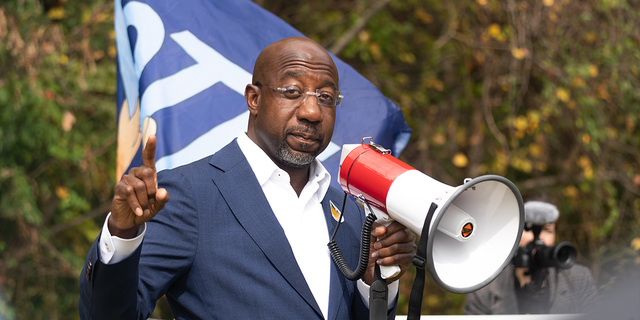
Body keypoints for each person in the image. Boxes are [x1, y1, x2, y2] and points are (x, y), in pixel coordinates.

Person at [78, 36, 417, 320]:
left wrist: (374, 285)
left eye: (326, 98)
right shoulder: (189, 194)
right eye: (292, 91)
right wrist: (122, 232)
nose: (312, 112)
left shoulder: (352, 212)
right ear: (254, 99)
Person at [463, 200, 598, 315]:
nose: (538, 239)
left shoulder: (579, 279)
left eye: (548, 230)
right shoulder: (486, 289)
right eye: (528, 229)